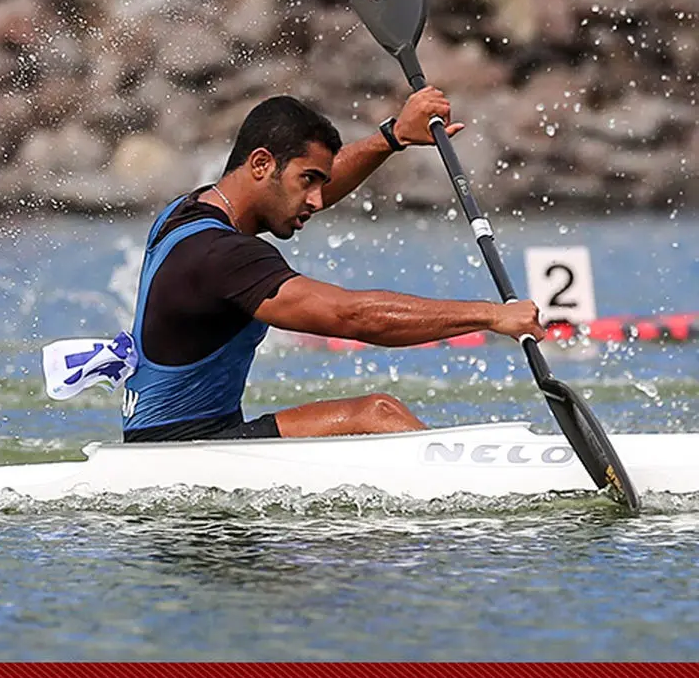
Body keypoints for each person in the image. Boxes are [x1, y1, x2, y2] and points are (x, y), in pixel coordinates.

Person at [122, 88, 546, 443]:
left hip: (176, 437)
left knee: (377, 412)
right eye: (308, 180)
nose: (318, 200)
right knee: (376, 415)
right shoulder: (224, 256)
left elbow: (302, 188)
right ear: (261, 164)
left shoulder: (188, 210)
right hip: (183, 450)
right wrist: (491, 316)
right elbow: (353, 317)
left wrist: (393, 136)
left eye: (320, 183)